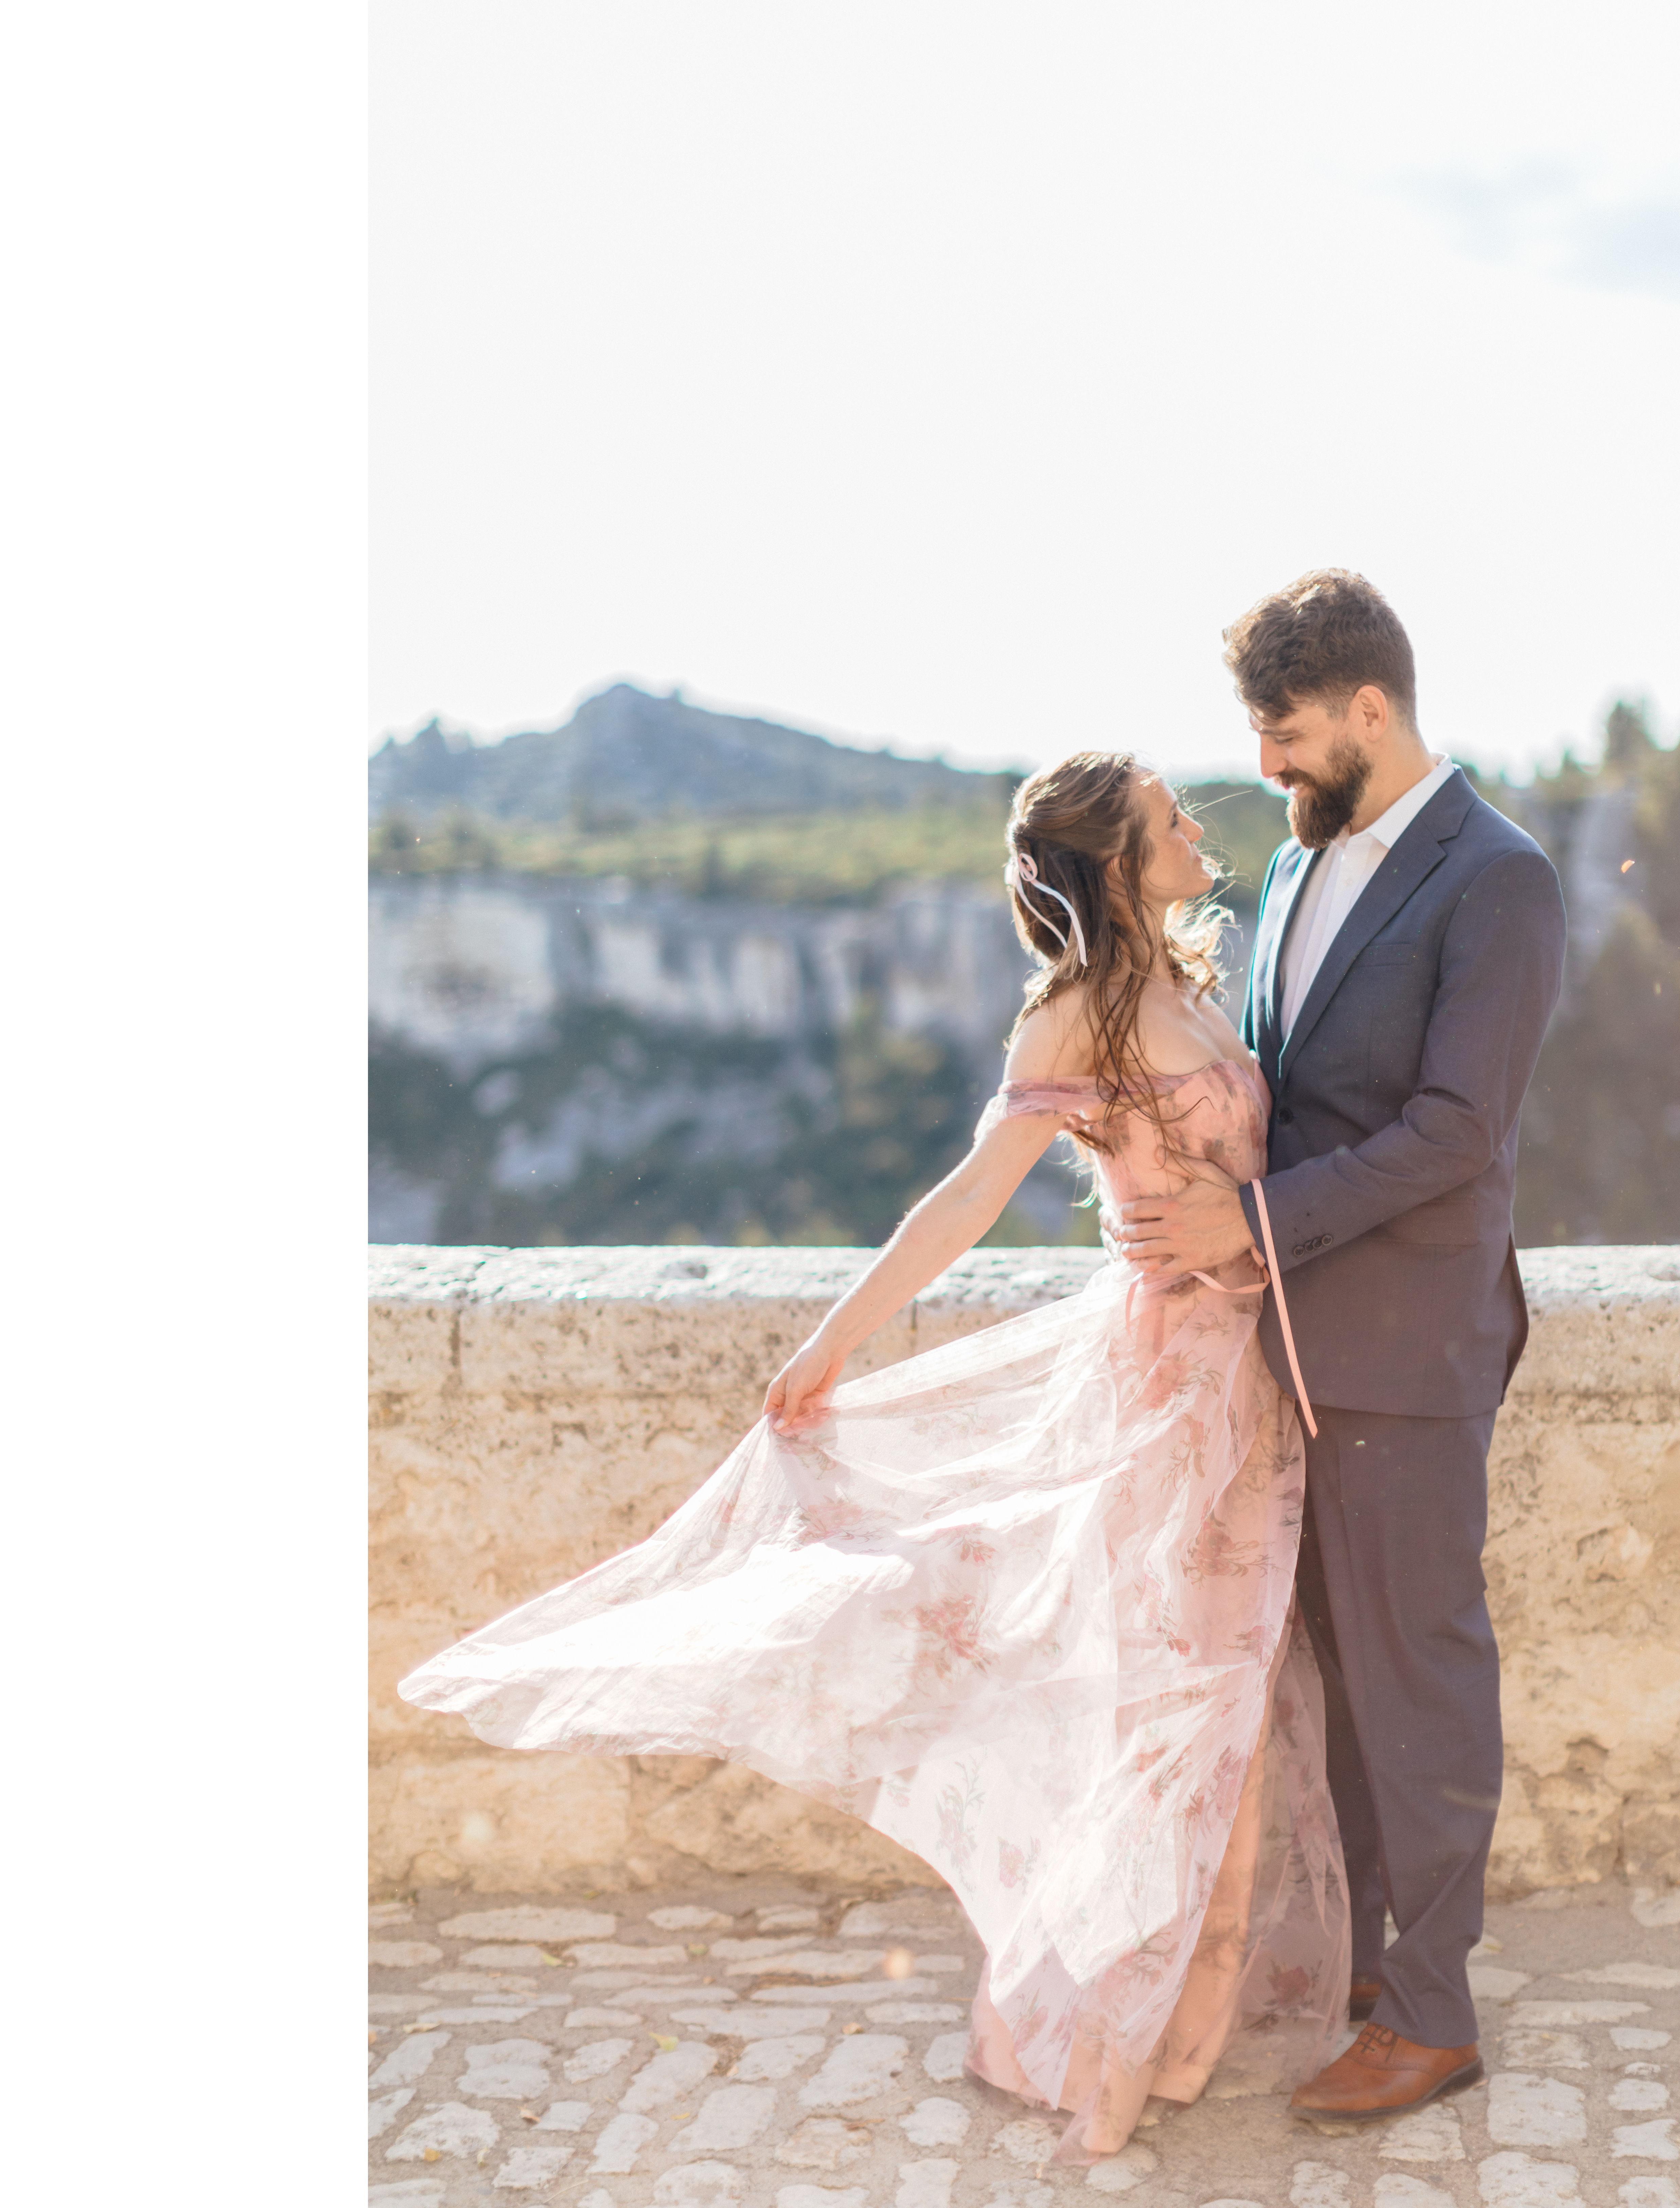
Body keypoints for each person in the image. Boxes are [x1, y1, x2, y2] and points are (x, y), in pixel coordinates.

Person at [397, 752, 1349, 2164]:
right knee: (1170, 1716)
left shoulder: (1201, 983)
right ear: (1115, 861)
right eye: (1169, 820)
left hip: (1253, 1383)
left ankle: (1182, 2029)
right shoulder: (1073, 1019)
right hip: (1162, 1395)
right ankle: (1107, 2044)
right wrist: (838, 1341)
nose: (1198, 828)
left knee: (1234, 1710)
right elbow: (966, 1199)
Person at [1113, 570, 1566, 2122]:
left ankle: (1435, 2014)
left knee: (1421, 1677)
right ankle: (1374, 1967)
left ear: (1372, 707)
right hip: (1286, 1351)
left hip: (1409, 1351)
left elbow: (1457, 1133)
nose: (1272, 770)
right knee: (1343, 1687)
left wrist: (1255, 1223)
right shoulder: (1305, 871)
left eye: (1291, 735)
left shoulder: (1498, 881)